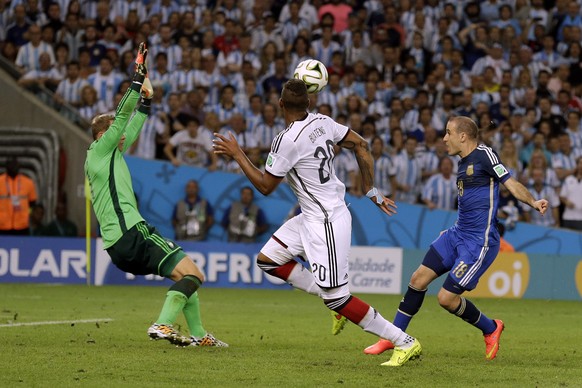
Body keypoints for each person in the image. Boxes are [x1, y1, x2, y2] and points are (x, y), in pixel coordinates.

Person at [213, 79, 422, 367]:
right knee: (269, 260)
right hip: (312, 215)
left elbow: (264, 186)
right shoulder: (323, 121)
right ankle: (336, 304)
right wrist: (371, 189)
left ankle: (403, 341)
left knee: (338, 298)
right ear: (309, 103)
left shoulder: (286, 141)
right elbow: (361, 145)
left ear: (280, 105)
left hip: (326, 221)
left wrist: (238, 154)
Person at [363, 116, 548, 360]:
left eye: (448, 133)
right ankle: (392, 337)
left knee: (446, 299)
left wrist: (533, 201)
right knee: (417, 279)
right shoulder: (463, 163)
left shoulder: (485, 155)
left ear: (463, 136)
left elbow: (510, 182)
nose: (444, 138)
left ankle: (491, 328)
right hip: (456, 234)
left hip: (478, 243)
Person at [84, 43, 227, 348]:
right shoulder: (100, 150)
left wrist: (147, 101)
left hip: (117, 248)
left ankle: (199, 336)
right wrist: (137, 79)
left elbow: (131, 125)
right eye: (113, 130)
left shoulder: (107, 156)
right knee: (195, 274)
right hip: (133, 233)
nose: (122, 133)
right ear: (101, 135)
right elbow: (123, 116)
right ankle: (163, 323)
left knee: (185, 277)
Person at [0, 157, 38, 235]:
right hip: (2, 225)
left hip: (22, 225)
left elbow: (32, 202)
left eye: (15, 164)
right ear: (6, 166)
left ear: (19, 166)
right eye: (10, 164)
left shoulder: (28, 182)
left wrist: (27, 213)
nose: (13, 167)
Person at [559, 156, 582, 231]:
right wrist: (566, 202)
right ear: (577, 165)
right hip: (568, 217)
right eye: (580, 163)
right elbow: (562, 196)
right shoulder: (568, 179)